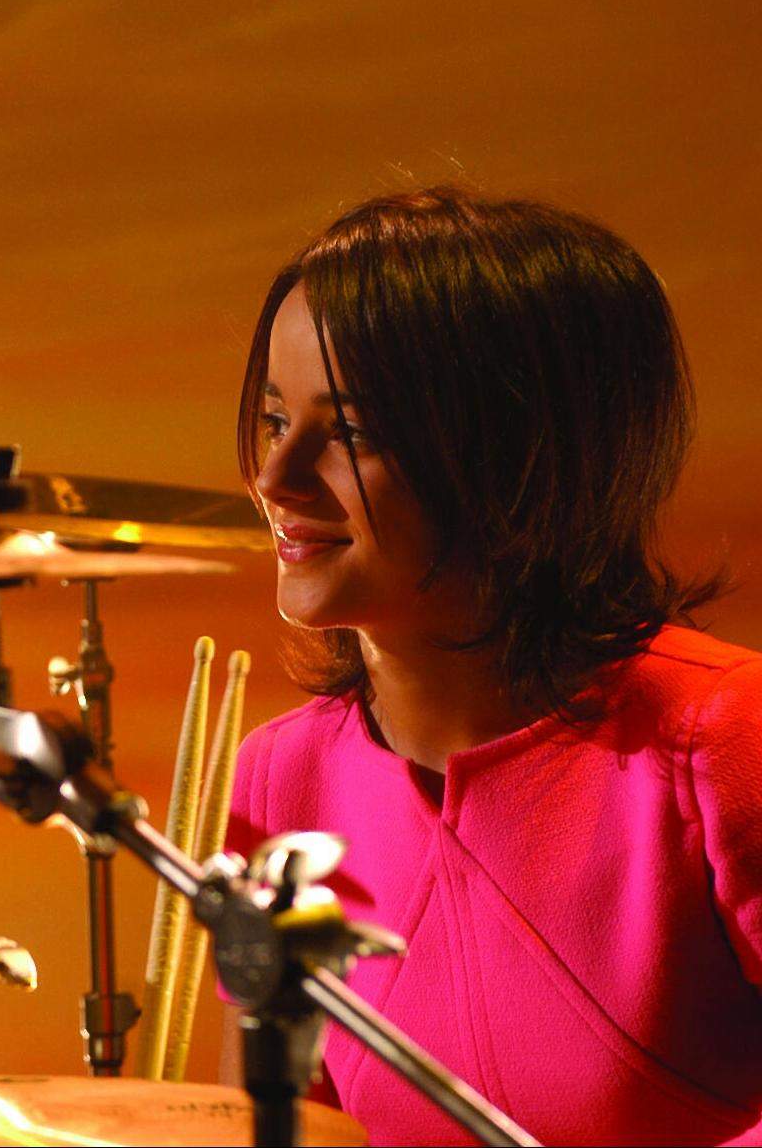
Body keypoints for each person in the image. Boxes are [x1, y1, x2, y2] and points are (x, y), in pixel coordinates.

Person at [221, 187, 762, 1146]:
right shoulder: (279, 777)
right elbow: (278, 1129)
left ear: (523, 457)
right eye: (272, 421)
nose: (275, 479)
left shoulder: (724, 738)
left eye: (351, 432)